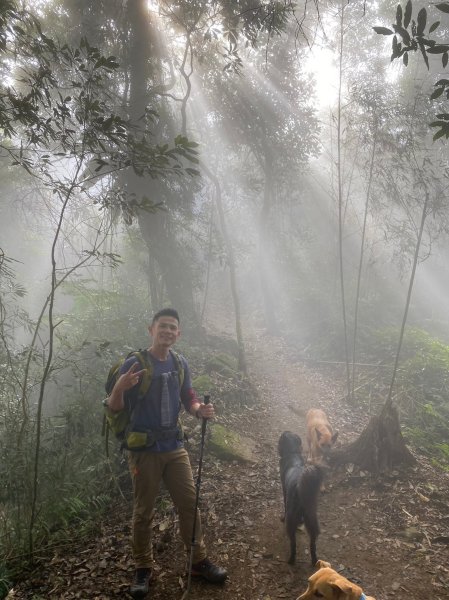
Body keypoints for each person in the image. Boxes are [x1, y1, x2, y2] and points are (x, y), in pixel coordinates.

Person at [106, 308, 227, 598]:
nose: (168, 332)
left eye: (173, 328)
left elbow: (188, 396)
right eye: (163, 327)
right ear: (152, 329)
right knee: (143, 512)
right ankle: (143, 568)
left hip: (174, 447)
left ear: (178, 333)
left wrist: (200, 410)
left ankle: (198, 561)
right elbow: (113, 407)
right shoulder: (135, 363)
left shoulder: (179, 362)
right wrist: (120, 387)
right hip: (144, 451)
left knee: (189, 504)